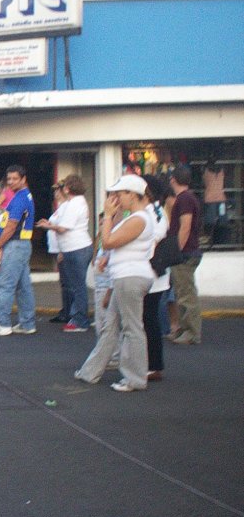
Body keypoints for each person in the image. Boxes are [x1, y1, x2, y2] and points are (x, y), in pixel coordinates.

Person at [75, 175, 156, 392]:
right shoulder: (136, 217)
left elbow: (108, 241)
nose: (116, 198)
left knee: (131, 328)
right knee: (110, 326)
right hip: (124, 276)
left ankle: (135, 378)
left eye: (120, 194)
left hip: (130, 277)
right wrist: (115, 214)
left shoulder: (140, 219)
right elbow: (116, 243)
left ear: (132, 194)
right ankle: (90, 371)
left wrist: (109, 216)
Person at [0, 165, 37, 336]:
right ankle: (27, 323)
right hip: (23, 244)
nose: (11, 182)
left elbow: (11, 226)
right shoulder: (23, 196)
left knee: (5, 285)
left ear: (23, 179)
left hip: (15, 244)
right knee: (23, 286)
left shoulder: (19, 199)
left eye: (14, 179)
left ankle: (1, 323)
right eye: (9, 179)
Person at [37, 175, 92, 332]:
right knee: (76, 285)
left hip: (76, 248)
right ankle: (78, 317)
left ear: (68, 188)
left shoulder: (74, 204)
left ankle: (80, 320)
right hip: (75, 247)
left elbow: (63, 228)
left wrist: (47, 227)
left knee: (78, 286)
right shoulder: (75, 203)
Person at [167, 166, 202, 345]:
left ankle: (191, 332)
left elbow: (185, 226)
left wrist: (177, 251)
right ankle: (182, 329)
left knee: (186, 294)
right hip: (188, 251)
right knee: (181, 291)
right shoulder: (187, 198)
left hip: (186, 253)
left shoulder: (185, 199)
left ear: (173, 179)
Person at [143, 175, 171, 383]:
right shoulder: (158, 211)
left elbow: (150, 241)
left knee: (148, 321)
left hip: (150, 274)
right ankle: (151, 364)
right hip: (157, 275)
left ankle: (153, 365)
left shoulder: (150, 213)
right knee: (149, 320)